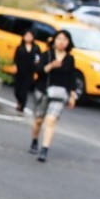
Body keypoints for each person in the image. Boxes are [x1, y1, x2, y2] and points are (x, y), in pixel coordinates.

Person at [28, 29, 77, 163]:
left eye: (65, 39)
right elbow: (38, 70)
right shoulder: (46, 55)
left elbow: (71, 78)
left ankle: (44, 149)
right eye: (59, 39)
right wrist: (51, 65)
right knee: (39, 121)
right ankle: (35, 139)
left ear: (69, 42)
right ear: (54, 41)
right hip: (42, 91)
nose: (62, 42)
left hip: (59, 94)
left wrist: (72, 95)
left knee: (51, 119)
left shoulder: (70, 59)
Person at [12, 30, 40, 114]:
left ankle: (22, 106)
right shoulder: (20, 47)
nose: (28, 37)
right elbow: (16, 58)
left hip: (29, 72)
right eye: (26, 36)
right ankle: (19, 101)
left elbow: (38, 59)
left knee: (24, 90)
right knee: (17, 90)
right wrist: (15, 66)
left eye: (30, 36)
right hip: (20, 71)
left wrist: (36, 70)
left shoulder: (36, 48)